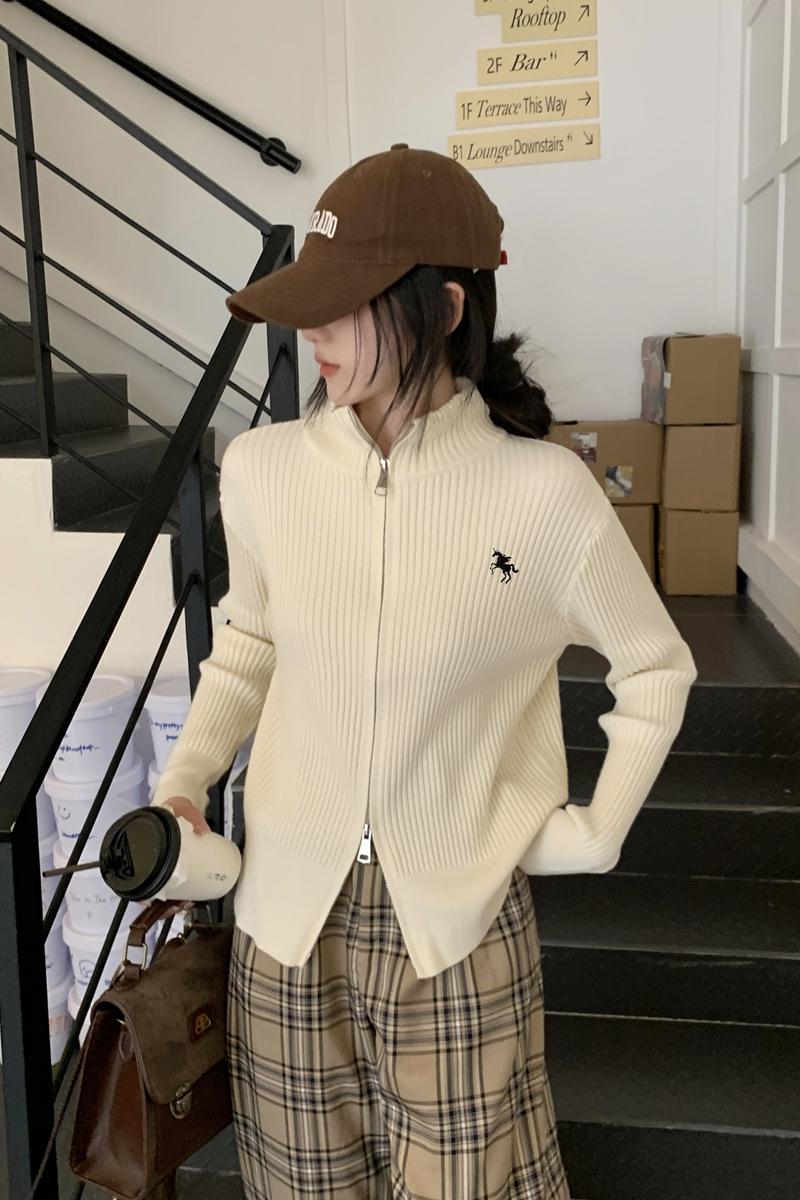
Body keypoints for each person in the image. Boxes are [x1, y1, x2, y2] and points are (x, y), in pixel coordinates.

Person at [151, 144, 698, 1200]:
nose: (311, 333)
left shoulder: (545, 495)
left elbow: (654, 665)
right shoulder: (261, 472)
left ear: (443, 309)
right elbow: (248, 645)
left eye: (341, 305)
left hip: (455, 936)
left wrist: (595, 832)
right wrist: (185, 783)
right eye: (305, 306)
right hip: (282, 930)